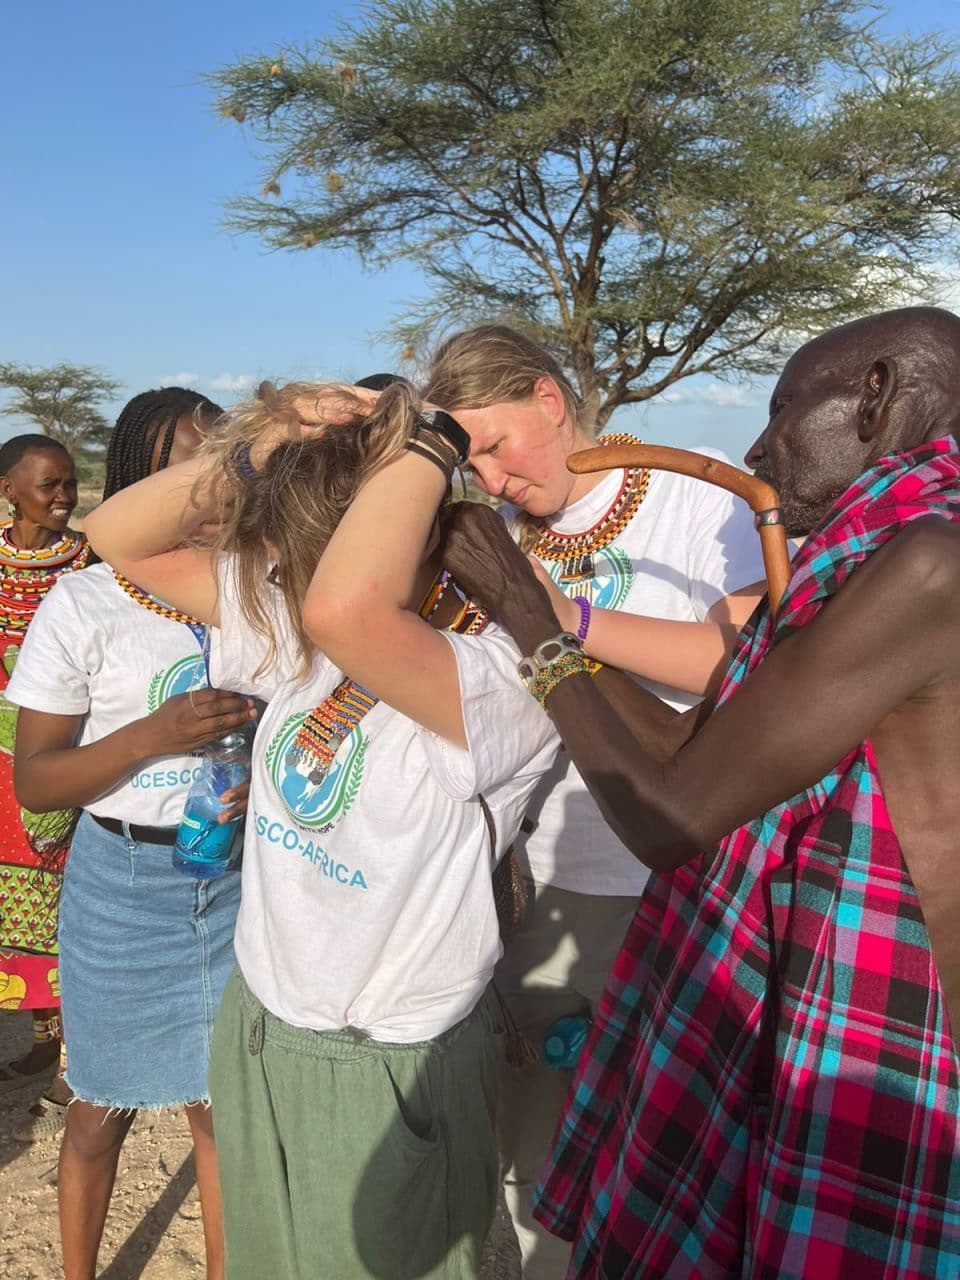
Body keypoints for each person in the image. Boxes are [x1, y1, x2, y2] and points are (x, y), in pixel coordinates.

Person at [441, 305, 960, 1278]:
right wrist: (542, 619)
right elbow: (700, 743)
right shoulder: (873, 554)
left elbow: (672, 817)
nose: (759, 450)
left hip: (885, 1042)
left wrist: (528, 611)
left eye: (784, 410)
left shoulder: (928, 561)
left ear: (878, 398)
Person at [83, 378, 560, 1280]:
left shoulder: (495, 673)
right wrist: (262, 443)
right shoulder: (296, 630)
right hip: (262, 1015)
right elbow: (117, 537)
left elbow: (347, 607)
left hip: (381, 1058)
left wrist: (431, 442)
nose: (275, 553)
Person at [422, 324, 765, 1273]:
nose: (489, 478)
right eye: (468, 460)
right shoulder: (499, 528)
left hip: (679, 871)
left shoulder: (697, 494)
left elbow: (734, 658)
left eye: (494, 444)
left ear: (549, 397)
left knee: (678, 1145)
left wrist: (558, 616)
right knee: (536, 1146)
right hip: (548, 875)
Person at [7, 388, 254, 1280]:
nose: (210, 481)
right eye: (189, 461)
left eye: (224, 459)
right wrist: (156, 735)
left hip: (235, 881)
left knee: (222, 1112)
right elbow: (37, 779)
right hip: (122, 885)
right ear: (141, 475)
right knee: (96, 1111)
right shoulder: (83, 602)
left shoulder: (252, 588)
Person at [0, 434, 88, 1108]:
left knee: (71, 909)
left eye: (68, 485)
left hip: (71, 757)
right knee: (15, 914)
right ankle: (38, 1038)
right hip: (3, 769)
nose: (62, 498)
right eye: (47, 486)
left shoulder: (94, 563)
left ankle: (75, 1058)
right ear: (8, 489)